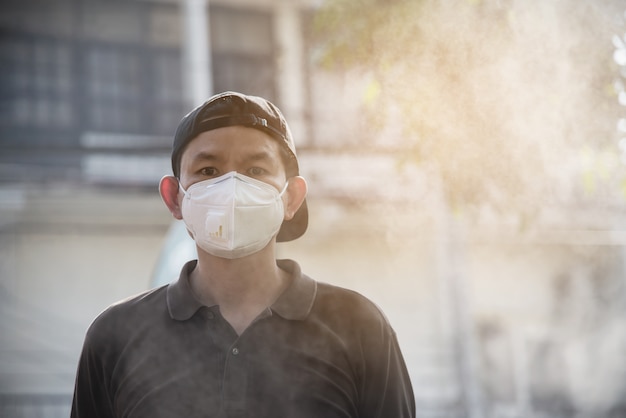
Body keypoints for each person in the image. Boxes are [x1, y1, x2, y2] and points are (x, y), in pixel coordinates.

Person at [71, 91, 416, 417]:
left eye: (255, 171)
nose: (232, 188)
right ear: (175, 197)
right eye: (208, 171)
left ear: (291, 197)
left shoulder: (358, 327)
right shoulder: (115, 337)